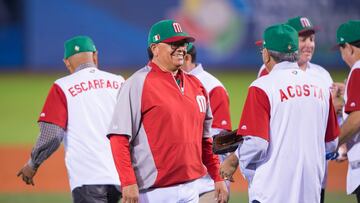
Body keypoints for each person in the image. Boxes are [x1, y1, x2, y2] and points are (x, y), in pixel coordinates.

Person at [107, 19, 228, 203]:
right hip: (154, 192)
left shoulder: (196, 85)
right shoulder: (137, 83)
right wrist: (127, 182)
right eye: (173, 44)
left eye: (183, 43)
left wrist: (217, 176)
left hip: (191, 189)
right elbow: (119, 137)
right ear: (155, 48)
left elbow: (205, 140)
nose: (181, 48)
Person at [220, 23, 339, 203]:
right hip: (311, 193)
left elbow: (257, 144)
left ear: (267, 54)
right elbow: (331, 143)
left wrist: (236, 158)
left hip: (271, 193)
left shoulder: (262, 87)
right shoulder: (321, 86)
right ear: (296, 53)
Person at [17, 36, 124, 203]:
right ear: (95, 55)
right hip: (121, 179)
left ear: (66, 62)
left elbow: (52, 135)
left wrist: (32, 164)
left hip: (88, 180)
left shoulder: (62, 86)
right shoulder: (119, 82)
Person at [256, 16, 344, 202]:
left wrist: (339, 109)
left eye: (311, 39)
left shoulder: (322, 75)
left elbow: (330, 129)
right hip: (281, 176)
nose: (308, 45)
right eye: (302, 39)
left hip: (315, 174)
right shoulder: (267, 73)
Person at [182, 43, 232, 202]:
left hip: (208, 185)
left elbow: (222, 142)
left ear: (187, 58)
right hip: (179, 185)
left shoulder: (212, 87)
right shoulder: (171, 84)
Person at [334, 20, 360, 202]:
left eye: (341, 49)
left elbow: (357, 118)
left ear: (349, 48)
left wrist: (331, 143)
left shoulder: (357, 70)